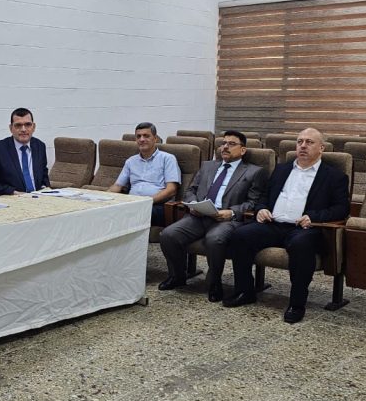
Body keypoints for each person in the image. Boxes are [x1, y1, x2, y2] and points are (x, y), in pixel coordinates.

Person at [223, 128, 349, 324]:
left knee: (301, 245)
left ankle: (296, 304)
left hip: (305, 229)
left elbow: (341, 209)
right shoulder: (282, 169)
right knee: (241, 235)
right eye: (300, 142)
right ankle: (245, 291)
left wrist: (313, 216)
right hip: (274, 224)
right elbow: (264, 196)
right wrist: (262, 209)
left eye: (309, 142)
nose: (303, 146)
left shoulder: (334, 176)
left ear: (321, 148)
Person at [158, 131, 266, 301]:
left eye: (231, 144)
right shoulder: (207, 166)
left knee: (214, 239)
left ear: (243, 150)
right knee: (168, 235)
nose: (225, 147)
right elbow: (191, 190)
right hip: (198, 216)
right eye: (223, 143)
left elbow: (253, 202)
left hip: (226, 219)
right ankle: (177, 276)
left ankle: (214, 283)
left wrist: (231, 212)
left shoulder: (254, 172)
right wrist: (193, 204)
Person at [108, 123, 180, 227]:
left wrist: (146, 201)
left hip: (157, 205)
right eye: (138, 136)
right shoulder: (131, 161)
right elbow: (118, 186)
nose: (142, 139)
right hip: (132, 203)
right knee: (107, 211)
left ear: (155, 139)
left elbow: (171, 190)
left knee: (127, 214)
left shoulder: (167, 159)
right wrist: (102, 198)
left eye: (146, 136)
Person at [0, 108, 50, 196]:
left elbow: (44, 174)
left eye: (28, 124)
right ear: (11, 128)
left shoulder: (40, 146)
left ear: (33, 127)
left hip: (39, 198)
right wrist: (12, 192)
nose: (23, 129)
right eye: (18, 125)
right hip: (12, 199)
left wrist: (45, 188)